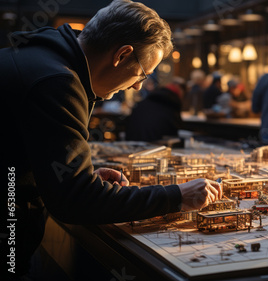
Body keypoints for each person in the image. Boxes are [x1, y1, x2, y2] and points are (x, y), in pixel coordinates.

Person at [2, 0, 221, 279]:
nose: (139, 85)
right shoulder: (58, 82)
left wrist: (78, 173)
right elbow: (74, 201)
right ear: (122, 55)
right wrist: (177, 196)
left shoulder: (43, 57)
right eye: (143, 74)